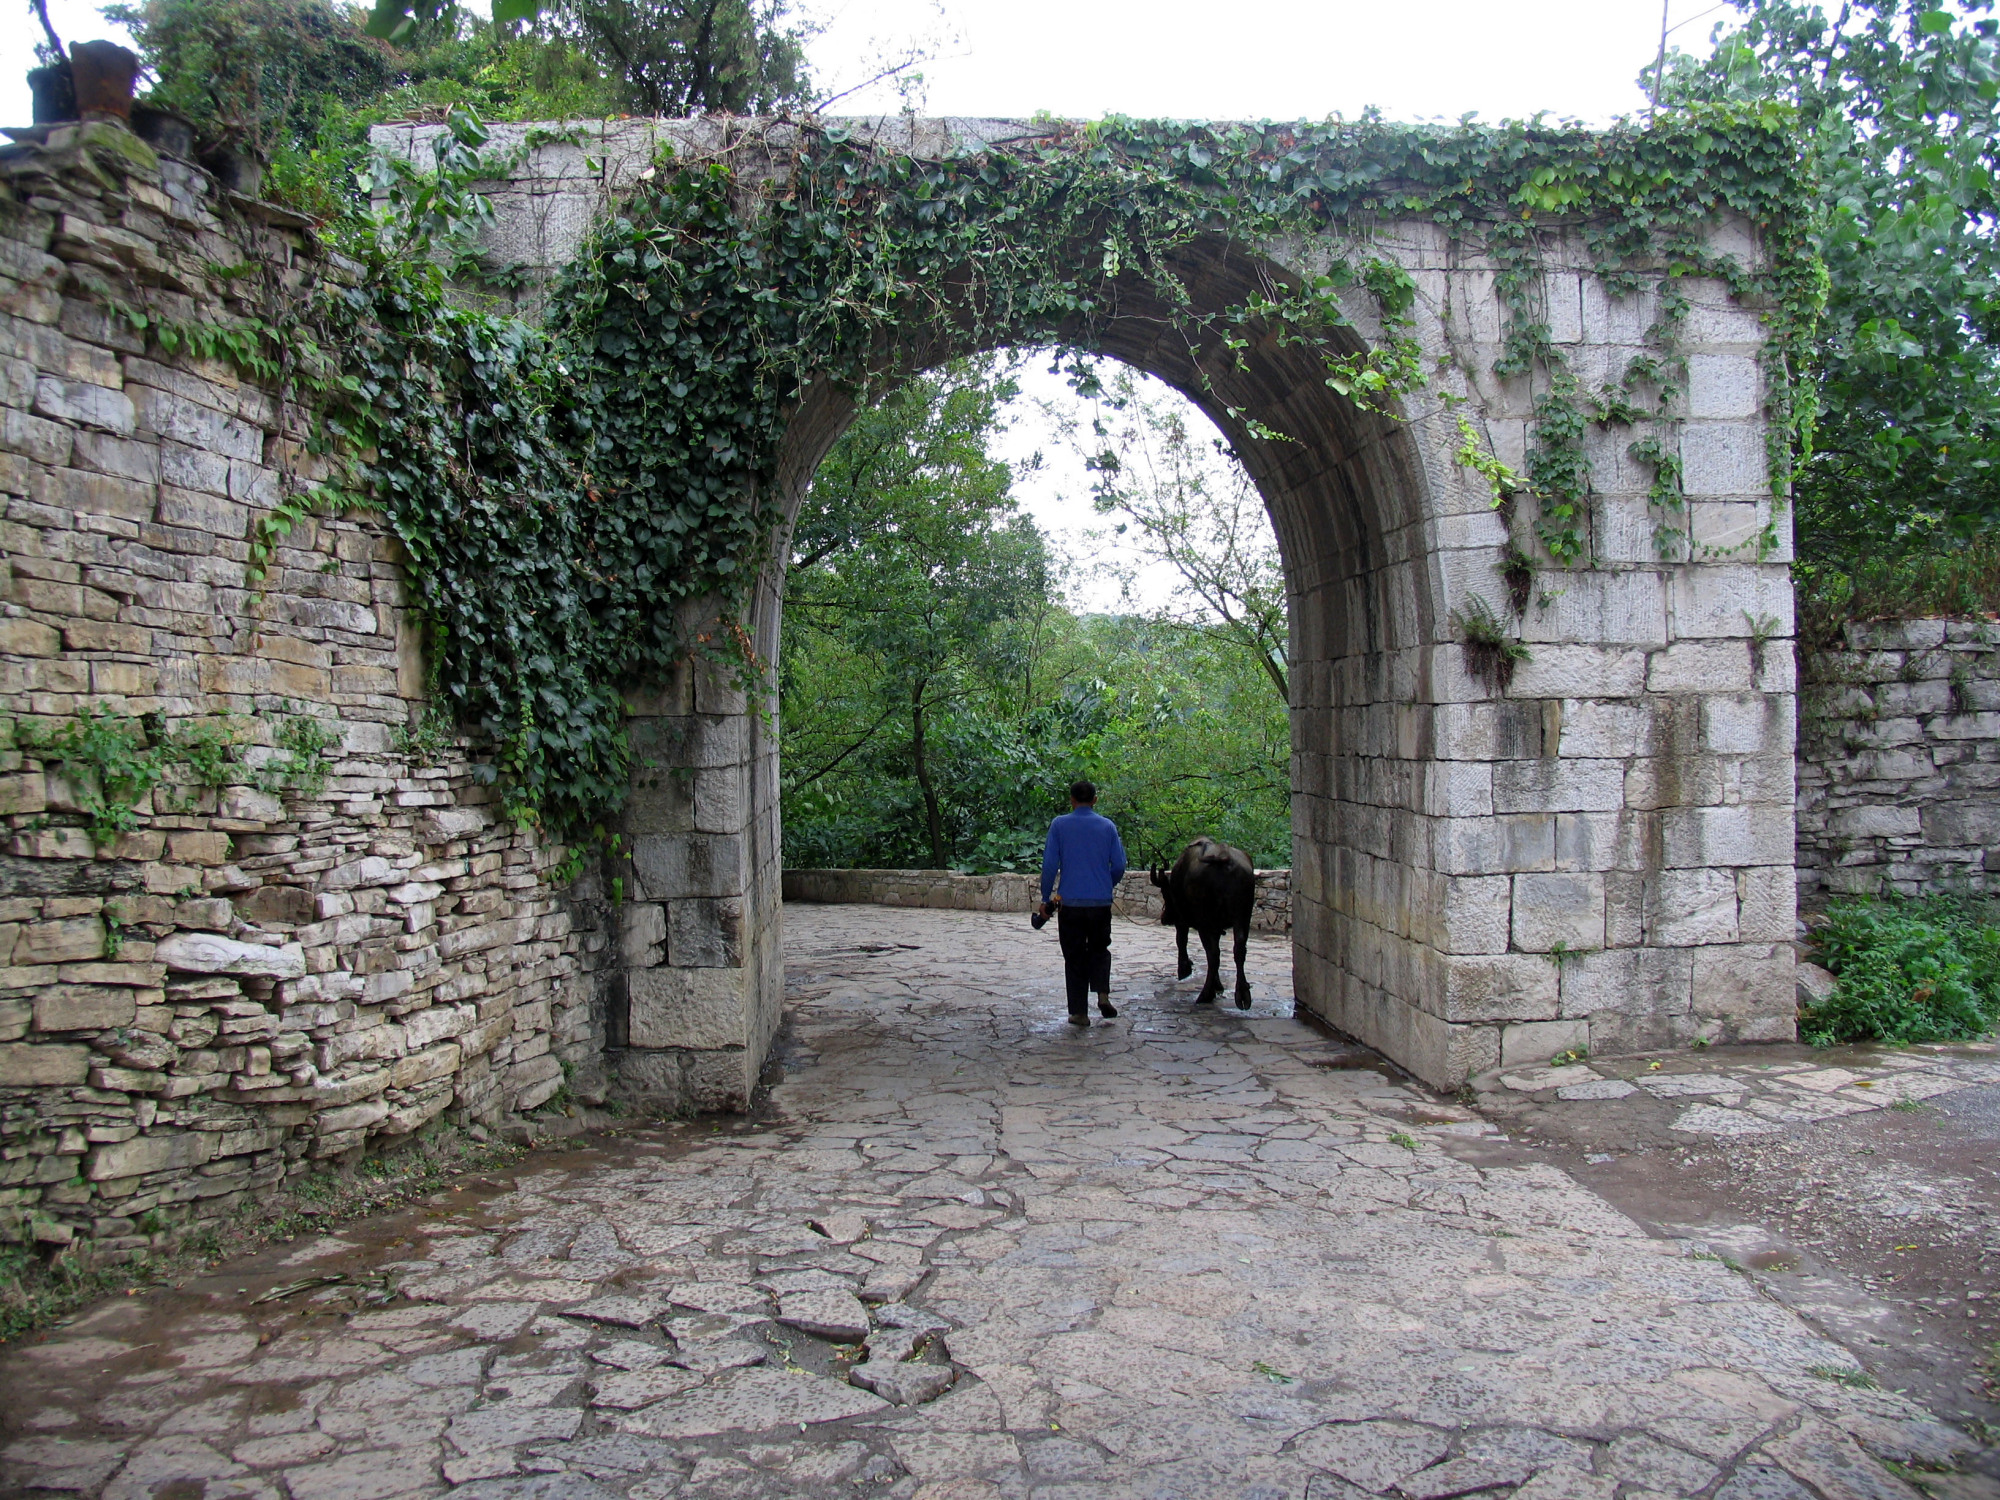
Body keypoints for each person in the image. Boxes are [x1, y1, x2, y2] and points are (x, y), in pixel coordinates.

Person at [1039, 780, 1128, 1026]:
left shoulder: (1059, 825)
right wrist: (1105, 885)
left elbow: (1049, 866)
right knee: (1100, 948)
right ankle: (1102, 994)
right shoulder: (1107, 826)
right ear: (1095, 800)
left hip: (1071, 905)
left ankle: (1079, 1012)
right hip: (1100, 903)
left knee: (1075, 956)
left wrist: (1046, 898)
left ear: (1072, 800)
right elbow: (1119, 865)